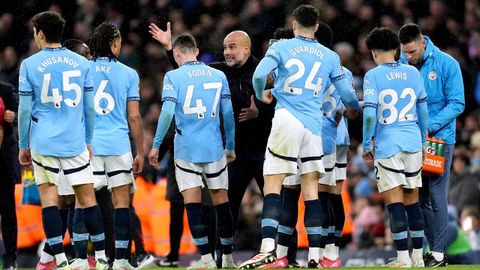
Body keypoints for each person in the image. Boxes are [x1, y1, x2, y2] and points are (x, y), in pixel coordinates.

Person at [240, 5, 359, 269]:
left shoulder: (281, 47)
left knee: (274, 183)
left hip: (287, 119)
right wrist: (358, 107)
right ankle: (316, 257)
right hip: (314, 127)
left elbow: (260, 75)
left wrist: (262, 95)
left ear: (293, 25)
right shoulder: (329, 56)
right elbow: (348, 95)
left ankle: (268, 249)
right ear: (316, 26)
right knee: (312, 191)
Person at [149, 23, 275, 243]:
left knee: (273, 200)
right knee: (227, 205)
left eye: (232, 47)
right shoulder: (219, 72)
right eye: (225, 47)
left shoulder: (262, 72)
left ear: (246, 49)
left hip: (262, 149)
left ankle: (286, 254)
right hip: (232, 151)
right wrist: (171, 48)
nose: (226, 52)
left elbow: (280, 103)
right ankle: (222, 256)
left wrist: (261, 111)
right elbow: (187, 72)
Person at [17, 11, 107, 270]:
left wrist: (24, 144)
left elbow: (24, 110)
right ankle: (99, 258)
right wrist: (89, 139)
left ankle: (59, 260)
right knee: (88, 199)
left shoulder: (30, 65)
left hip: (43, 142)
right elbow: (89, 107)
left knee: (49, 201)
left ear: (40, 34)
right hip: (75, 141)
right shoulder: (82, 64)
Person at [148, 34, 236, 270]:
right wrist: (230, 146)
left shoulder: (173, 76)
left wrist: (156, 144)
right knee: (221, 202)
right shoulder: (219, 75)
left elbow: (166, 113)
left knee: (192, 203)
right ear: (196, 51)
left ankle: (206, 260)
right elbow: (227, 114)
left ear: (176, 53)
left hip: (186, 149)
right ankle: (226, 257)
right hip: (215, 148)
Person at [398, 23, 465, 267]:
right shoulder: (403, 66)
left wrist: (430, 125)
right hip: (412, 140)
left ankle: (437, 253)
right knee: (419, 196)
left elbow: (457, 103)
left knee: (436, 195)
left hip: (438, 140)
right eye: (405, 52)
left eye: (413, 51)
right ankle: (433, 250)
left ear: (423, 42)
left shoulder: (447, 64)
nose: (409, 56)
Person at [362, 27, 428, 268]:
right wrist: (422, 141)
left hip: (388, 144)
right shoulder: (413, 72)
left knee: (395, 202)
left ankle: (402, 258)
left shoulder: (373, 76)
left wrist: (367, 142)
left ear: (374, 52)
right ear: (396, 49)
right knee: (412, 200)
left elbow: (370, 113)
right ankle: (418, 258)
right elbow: (422, 109)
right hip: (412, 141)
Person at [88, 22, 145, 270]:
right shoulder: (129, 73)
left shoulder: (83, 70)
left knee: (84, 203)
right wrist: (140, 151)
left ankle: (97, 257)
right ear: (113, 42)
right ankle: (121, 259)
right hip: (118, 145)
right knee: (123, 203)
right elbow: (134, 116)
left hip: (89, 146)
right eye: (119, 41)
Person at [0, 79, 20, 270]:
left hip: (3, 163)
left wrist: (13, 116)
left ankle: (10, 258)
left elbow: (24, 113)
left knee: (7, 212)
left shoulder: (6, 90)